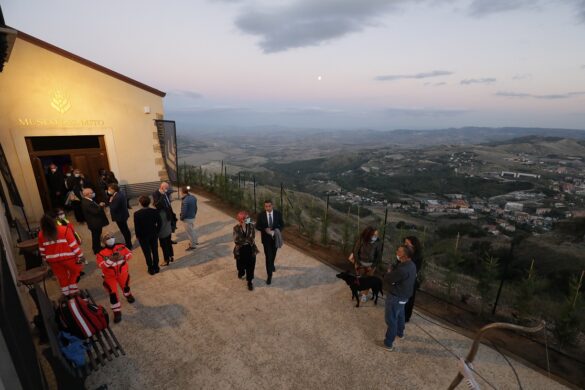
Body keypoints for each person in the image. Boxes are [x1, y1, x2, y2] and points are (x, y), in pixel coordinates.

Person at [380, 245, 417, 352]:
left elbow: (388, 278)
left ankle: (388, 343)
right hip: (405, 296)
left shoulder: (402, 270)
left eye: (399, 251)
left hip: (396, 297)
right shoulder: (412, 265)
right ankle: (400, 333)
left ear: (404, 255)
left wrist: (388, 272)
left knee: (391, 319)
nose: (397, 251)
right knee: (400, 314)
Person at [37, 213, 84, 297]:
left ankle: (66, 294)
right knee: (76, 271)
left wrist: (46, 260)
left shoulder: (41, 234)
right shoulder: (64, 229)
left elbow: (42, 250)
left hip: (53, 261)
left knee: (62, 277)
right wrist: (80, 256)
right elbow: (73, 245)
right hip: (68, 258)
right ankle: (73, 290)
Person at [96, 233, 134, 323]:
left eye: (112, 237)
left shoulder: (121, 246)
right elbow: (101, 265)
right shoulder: (101, 253)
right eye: (107, 238)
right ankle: (117, 312)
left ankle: (128, 295)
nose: (110, 239)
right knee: (113, 294)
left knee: (126, 286)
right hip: (109, 277)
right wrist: (110, 260)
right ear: (104, 242)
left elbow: (130, 254)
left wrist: (123, 257)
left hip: (123, 273)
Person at [255, 200, 284, 285]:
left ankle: (272, 264)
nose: (268, 208)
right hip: (266, 240)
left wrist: (277, 230)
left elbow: (282, 225)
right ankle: (269, 276)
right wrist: (264, 229)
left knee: (273, 254)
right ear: (264, 207)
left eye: (269, 206)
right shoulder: (261, 215)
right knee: (268, 256)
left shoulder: (278, 214)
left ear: (272, 206)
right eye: (266, 206)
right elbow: (257, 226)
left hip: (275, 239)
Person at [352, 226, 382, 303]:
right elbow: (355, 252)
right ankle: (358, 290)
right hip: (360, 263)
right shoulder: (361, 240)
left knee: (368, 281)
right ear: (368, 234)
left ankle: (364, 295)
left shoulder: (378, 242)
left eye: (377, 235)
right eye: (374, 235)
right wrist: (358, 264)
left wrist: (372, 266)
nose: (376, 237)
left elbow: (378, 256)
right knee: (358, 278)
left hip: (370, 265)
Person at [133, 195, 162, 275]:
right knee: (155, 251)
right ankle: (156, 267)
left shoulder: (137, 214)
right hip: (153, 234)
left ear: (140, 203)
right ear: (149, 203)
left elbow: (137, 227)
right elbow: (160, 223)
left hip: (143, 236)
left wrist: (138, 236)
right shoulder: (154, 211)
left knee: (147, 252)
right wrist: (157, 231)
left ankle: (150, 268)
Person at [233, 211, 258, 291]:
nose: (248, 219)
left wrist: (244, 240)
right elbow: (236, 240)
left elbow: (252, 238)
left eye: (248, 218)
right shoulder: (236, 228)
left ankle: (249, 281)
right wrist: (247, 240)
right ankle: (241, 271)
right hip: (240, 250)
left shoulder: (251, 226)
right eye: (246, 218)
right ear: (241, 220)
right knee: (240, 265)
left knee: (251, 266)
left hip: (250, 249)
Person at [81, 187, 109, 254]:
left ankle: (97, 247)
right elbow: (95, 211)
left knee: (96, 236)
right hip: (94, 223)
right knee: (96, 236)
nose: (93, 193)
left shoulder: (89, 200)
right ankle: (97, 250)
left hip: (95, 222)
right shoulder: (86, 202)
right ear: (87, 194)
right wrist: (101, 206)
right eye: (92, 192)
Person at [154, 183, 174, 266]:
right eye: (166, 188)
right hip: (166, 225)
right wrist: (162, 195)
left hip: (165, 227)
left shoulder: (161, 214)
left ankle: (167, 259)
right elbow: (157, 204)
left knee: (165, 243)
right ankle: (170, 256)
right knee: (168, 242)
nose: (167, 190)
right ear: (162, 188)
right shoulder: (156, 194)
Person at [404, 236, 423, 322]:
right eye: (405, 243)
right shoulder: (405, 252)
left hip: (411, 279)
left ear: (413, 244)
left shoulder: (418, 256)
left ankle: (406, 316)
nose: (406, 244)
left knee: (409, 299)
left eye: (408, 243)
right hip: (403, 277)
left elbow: (415, 268)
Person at [108, 183, 132, 248]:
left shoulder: (117, 197)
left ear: (113, 189)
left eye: (109, 189)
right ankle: (129, 243)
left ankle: (129, 245)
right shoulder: (120, 193)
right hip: (123, 215)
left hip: (120, 217)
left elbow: (113, 208)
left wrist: (110, 201)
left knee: (124, 231)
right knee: (125, 230)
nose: (108, 190)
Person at [179, 186, 198, 251]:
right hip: (192, 217)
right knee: (192, 230)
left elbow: (184, 212)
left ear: (182, 192)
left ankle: (193, 245)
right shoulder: (193, 197)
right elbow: (196, 208)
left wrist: (181, 218)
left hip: (187, 219)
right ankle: (195, 241)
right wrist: (194, 214)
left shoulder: (185, 200)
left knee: (190, 232)